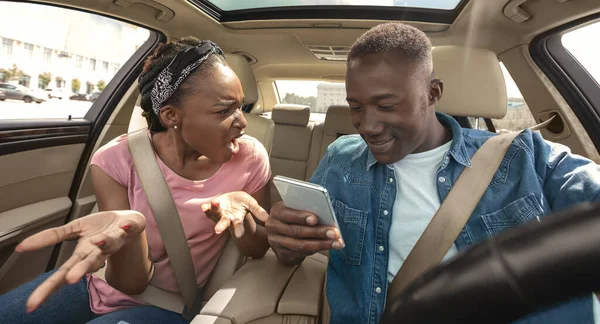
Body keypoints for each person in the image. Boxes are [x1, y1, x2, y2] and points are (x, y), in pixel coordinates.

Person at [265, 22, 600, 324]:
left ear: (433, 93)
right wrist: (286, 243)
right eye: (356, 107)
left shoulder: (525, 156)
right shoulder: (341, 161)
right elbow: (294, 246)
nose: (366, 126)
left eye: (386, 105)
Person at [0, 37, 272, 323]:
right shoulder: (113, 160)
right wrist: (133, 229)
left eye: (241, 107)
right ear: (171, 116)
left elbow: (259, 248)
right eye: (224, 111)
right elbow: (129, 282)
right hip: (93, 283)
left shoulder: (250, 158)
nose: (242, 122)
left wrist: (243, 216)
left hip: (168, 306)